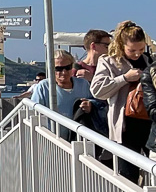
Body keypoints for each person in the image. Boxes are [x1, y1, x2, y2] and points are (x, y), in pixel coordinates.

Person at [90, 21, 154, 182]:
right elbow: (97, 90)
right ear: (121, 45)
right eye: (132, 50)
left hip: (150, 122)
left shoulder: (149, 60)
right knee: (127, 176)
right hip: (125, 125)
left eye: (141, 49)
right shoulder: (109, 61)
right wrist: (124, 78)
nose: (137, 54)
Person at [29, 51, 95, 139]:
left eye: (67, 68)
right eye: (59, 69)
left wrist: (90, 105)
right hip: (53, 140)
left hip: (79, 139)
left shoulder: (83, 84)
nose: (64, 72)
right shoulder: (43, 87)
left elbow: (96, 103)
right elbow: (33, 113)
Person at [75, 29, 113, 135]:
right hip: (87, 124)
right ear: (93, 46)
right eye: (106, 45)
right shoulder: (76, 70)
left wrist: (92, 79)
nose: (110, 49)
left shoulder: (111, 68)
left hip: (107, 121)